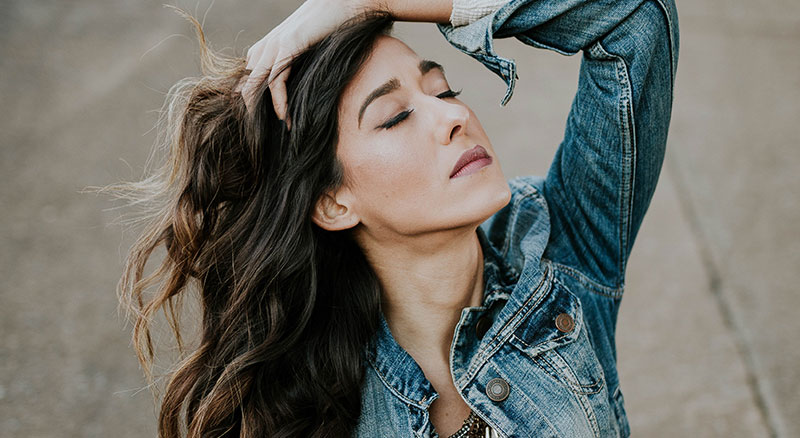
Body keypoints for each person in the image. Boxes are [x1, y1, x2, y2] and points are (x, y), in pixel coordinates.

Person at [118, 0, 678, 436]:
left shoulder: (559, 254)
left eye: (443, 89)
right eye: (396, 116)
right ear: (332, 203)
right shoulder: (319, 409)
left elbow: (634, 16)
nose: (453, 116)